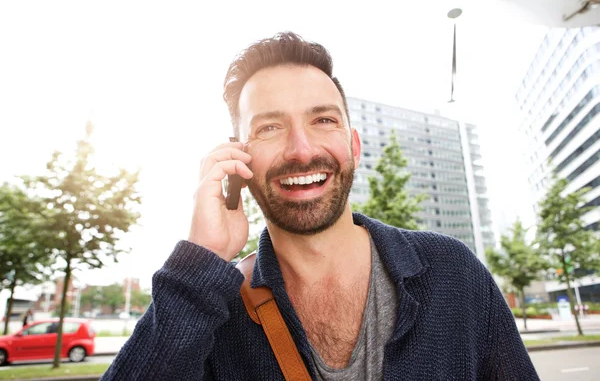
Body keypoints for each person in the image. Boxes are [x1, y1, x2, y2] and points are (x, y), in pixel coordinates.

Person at [101, 32, 539, 380]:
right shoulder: (211, 310)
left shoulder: (452, 272)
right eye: (270, 126)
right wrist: (201, 261)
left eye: (323, 120)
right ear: (238, 159)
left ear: (353, 145)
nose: (301, 149)